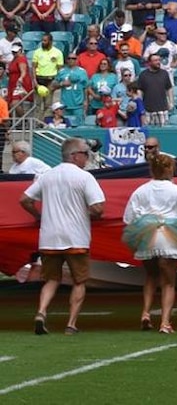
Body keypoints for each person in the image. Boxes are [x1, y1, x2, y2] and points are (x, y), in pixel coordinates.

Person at [22, 137, 105, 334]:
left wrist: (38, 216)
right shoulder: (84, 177)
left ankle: (41, 312)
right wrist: (87, 212)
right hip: (76, 237)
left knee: (51, 280)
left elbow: (24, 199)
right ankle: (71, 323)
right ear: (75, 156)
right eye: (85, 154)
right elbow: (98, 207)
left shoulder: (47, 176)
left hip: (49, 236)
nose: (87, 158)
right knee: (79, 281)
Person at [123, 152, 177, 333]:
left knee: (150, 277)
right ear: (169, 168)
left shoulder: (141, 190)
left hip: (146, 236)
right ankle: (165, 322)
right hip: (169, 236)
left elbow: (128, 217)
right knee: (168, 283)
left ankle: (145, 313)